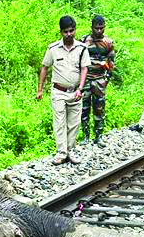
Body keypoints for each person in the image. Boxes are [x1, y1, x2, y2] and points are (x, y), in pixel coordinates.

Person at [37, 15, 89, 164]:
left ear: (75, 30)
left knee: (74, 124)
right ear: (61, 32)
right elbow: (45, 67)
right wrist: (40, 89)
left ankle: (70, 151)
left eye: (71, 31)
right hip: (58, 92)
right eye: (65, 32)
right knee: (59, 122)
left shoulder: (82, 48)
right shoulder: (53, 49)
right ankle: (61, 153)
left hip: (75, 92)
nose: (69, 34)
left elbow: (84, 68)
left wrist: (80, 88)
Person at [79, 15, 116, 147]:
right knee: (84, 108)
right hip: (86, 79)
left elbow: (111, 63)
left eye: (101, 28)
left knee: (99, 109)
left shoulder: (108, 42)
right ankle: (85, 136)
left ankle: (98, 136)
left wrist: (106, 80)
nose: (99, 31)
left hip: (99, 79)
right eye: (96, 28)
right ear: (92, 27)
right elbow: (78, 60)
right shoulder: (84, 40)